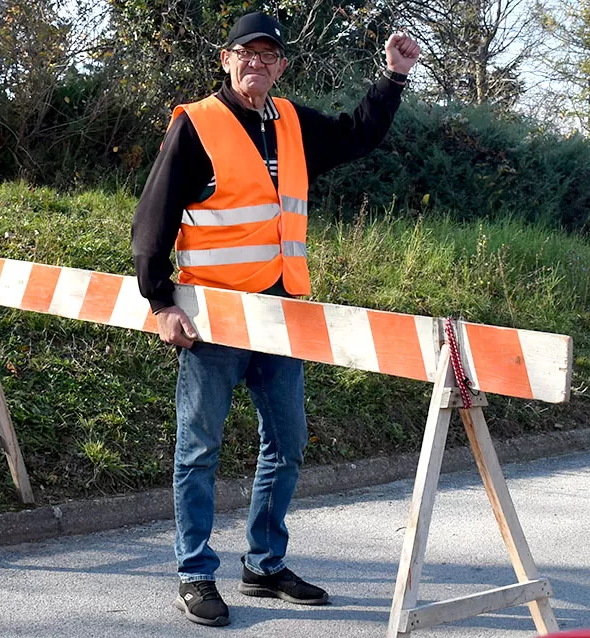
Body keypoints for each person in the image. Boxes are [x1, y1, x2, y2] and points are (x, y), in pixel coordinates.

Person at [131, 11, 420, 627]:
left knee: (287, 443)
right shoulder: (197, 124)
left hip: (281, 314)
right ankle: (194, 573)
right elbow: (153, 218)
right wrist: (160, 302)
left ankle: (263, 564)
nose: (257, 63)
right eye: (247, 52)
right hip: (215, 319)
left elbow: (356, 136)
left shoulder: (290, 122)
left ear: (282, 66)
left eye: (269, 56)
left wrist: (392, 78)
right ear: (226, 58)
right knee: (199, 449)